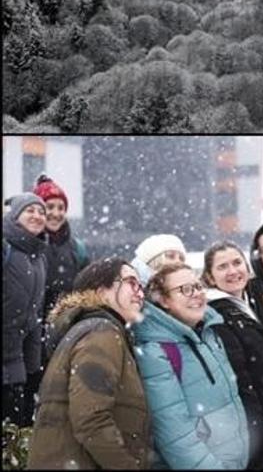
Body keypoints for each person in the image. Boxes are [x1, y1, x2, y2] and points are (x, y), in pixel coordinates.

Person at [28, 258, 151, 469]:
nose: (140, 294)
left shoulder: (97, 329)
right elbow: (91, 418)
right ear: (101, 291)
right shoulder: (100, 332)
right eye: (131, 283)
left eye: (141, 287)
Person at [134, 263, 250, 469]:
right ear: (163, 300)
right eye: (185, 289)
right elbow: (175, 435)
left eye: (198, 286)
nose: (196, 294)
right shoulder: (156, 352)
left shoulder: (209, 333)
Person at [203, 242, 263, 469]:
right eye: (222, 266)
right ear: (209, 276)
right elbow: (241, 383)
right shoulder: (218, 316)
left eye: (237, 263)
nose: (233, 271)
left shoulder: (247, 305)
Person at [28, 174, 90, 415]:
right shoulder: (26, 244)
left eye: (60, 207)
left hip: (66, 330)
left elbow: (87, 288)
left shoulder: (77, 248)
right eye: (49, 207)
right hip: (31, 332)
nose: (55, 213)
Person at [2, 193, 47, 431]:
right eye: (30, 210)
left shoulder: (38, 256)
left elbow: (34, 316)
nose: (37, 216)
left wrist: (33, 367)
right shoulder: (6, 247)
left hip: (16, 363)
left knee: (14, 434)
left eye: (41, 212)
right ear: (15, 216)